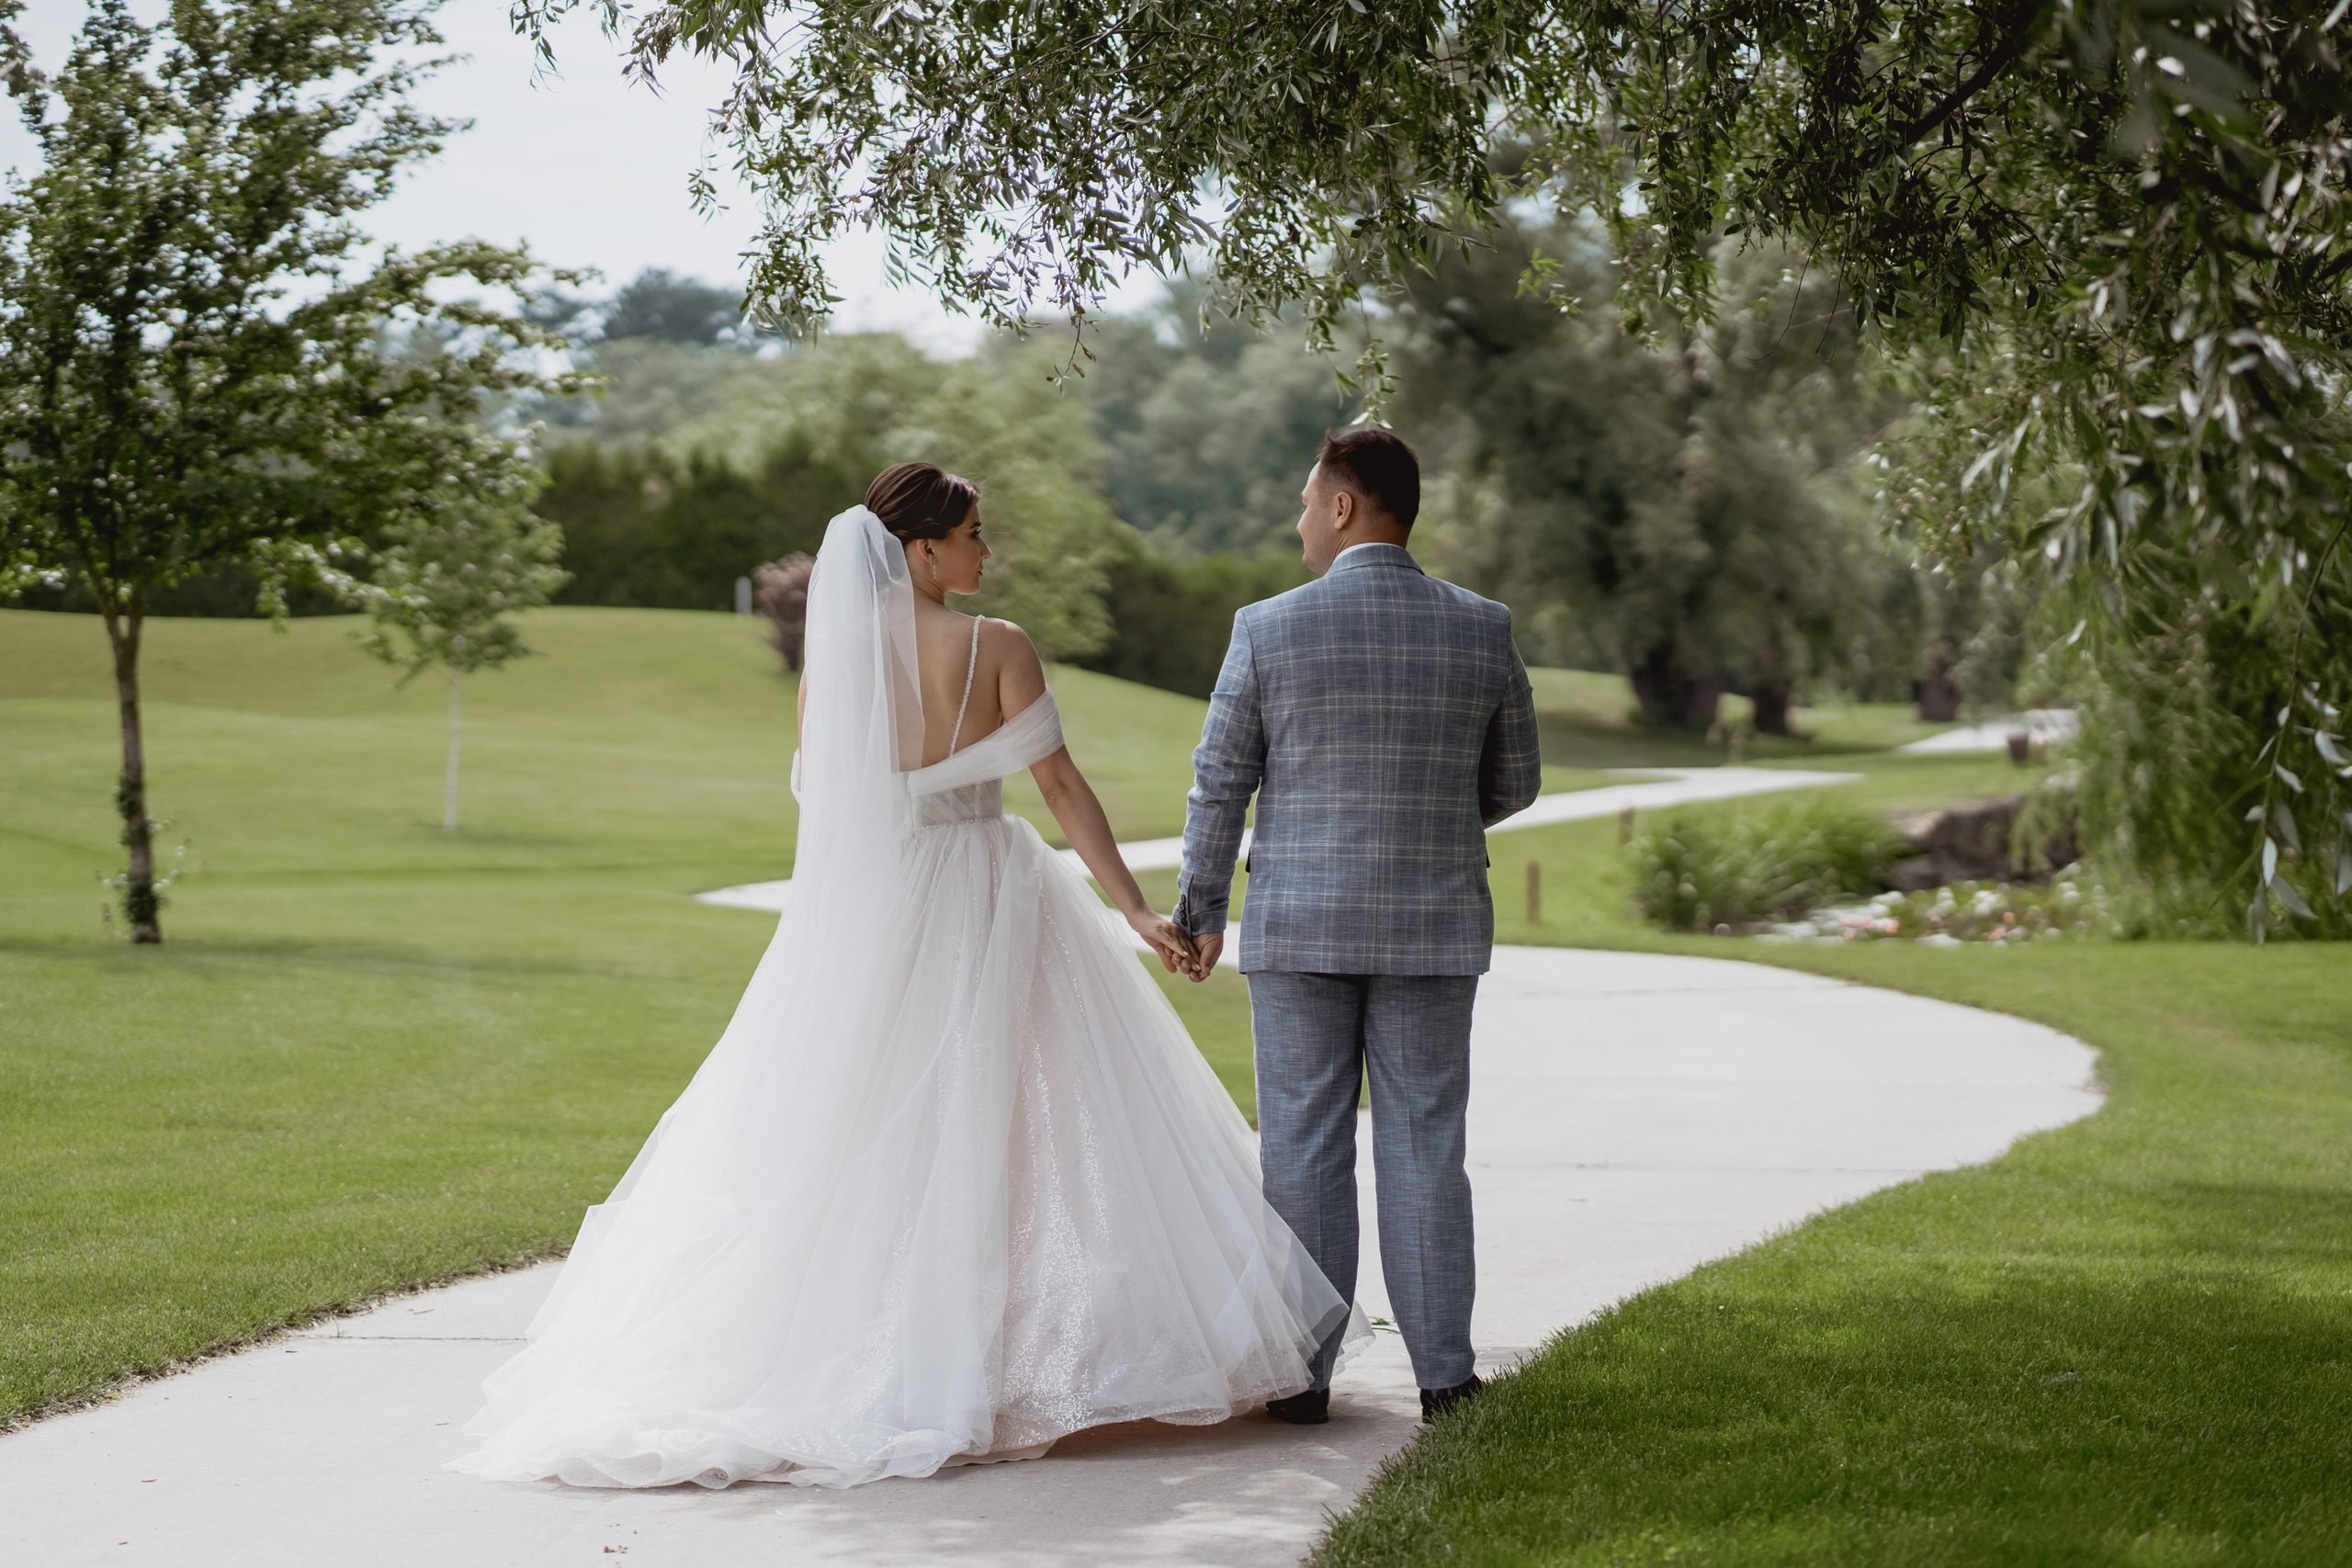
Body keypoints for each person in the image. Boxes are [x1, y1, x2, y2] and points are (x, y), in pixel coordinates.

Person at [451, 463, 1358, 1490]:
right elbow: (1060, 784)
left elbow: (826, 803)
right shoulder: (997, 645)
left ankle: (903, 1348)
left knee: (877, 1124)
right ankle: (979, 1359)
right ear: (922, 547)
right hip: (988, 893)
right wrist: (1134, 910)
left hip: (883, 905)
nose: (985, 551)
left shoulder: (836, 660)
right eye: (972, 533)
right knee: (1010, 1124)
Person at [1175, 429, 1543, 1427]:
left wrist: (1199, 912)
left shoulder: (1266, 628)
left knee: (1302, 1146)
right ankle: (1445, 1377)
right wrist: (1432, 823)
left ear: (1343, 507)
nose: (1298, 520)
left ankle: (1303, 1380)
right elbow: (1517, 780)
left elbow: (1219, 785)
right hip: (1434, 921)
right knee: (1426, 1142)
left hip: (1299, 924)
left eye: (1306, 502)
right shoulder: (1483, 627)